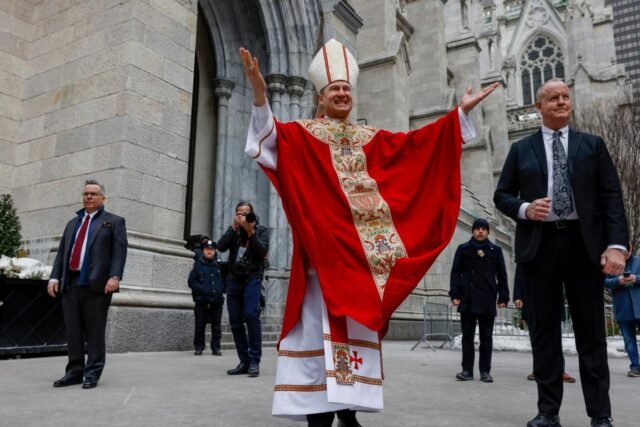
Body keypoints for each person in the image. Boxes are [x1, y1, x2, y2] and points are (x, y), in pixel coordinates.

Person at [240, 39, 498, 426]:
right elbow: (267, 138)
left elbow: (416, 147)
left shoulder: (371, 139)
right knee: (318, 342)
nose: (342, 93)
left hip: (361, 268)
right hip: (321, 265)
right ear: (321, 96)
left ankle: (347, 411)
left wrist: (457, 116)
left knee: (353, 336)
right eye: (334, 88)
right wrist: (260, 94)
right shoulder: (302, 135)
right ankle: (318, 417)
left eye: (346, 88)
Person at [494, 79, 629, 427]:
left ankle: (600, 414)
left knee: (591, 334)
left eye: (565, 97)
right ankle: (548, 411)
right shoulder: (521, 150)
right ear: (539, 106)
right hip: (540, 247)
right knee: (544, 334)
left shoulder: (592, 146)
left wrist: (616, 246)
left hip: (584, 247)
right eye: (553, 98)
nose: (561, 102)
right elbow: (501, 195)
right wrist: (525, 208)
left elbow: (611, 198)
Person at [47, 179, 128, 389]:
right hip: (71, 284)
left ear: (103, 198)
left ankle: (92, 372)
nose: (89, 197)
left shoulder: (114, 222)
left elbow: (119, 252)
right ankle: (74, 372)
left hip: (97, 286)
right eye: (86, 194)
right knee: (73, 331)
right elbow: (63, 253)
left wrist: (115, 276)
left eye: (93, 194)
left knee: (95, 331)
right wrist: (54, 277)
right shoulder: (72, 223)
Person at [450, 218, 509, 383]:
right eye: (477, 228)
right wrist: (455, 294)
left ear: (488, 231)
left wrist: (503, 297)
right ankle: (467, 370)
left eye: (483, 229)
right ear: (472, 231)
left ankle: (485, 371)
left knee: (486, 337)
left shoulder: (495, 250)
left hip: (487, 297)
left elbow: (502, 275)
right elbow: (455, 273)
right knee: (467, 337)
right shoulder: (463, 249)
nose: (480, 231)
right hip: (467, 297)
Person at [217, 201, 269, 378]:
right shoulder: (234, 231)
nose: (243, 216)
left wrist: (251, 231)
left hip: (253, 277)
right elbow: (220, 246)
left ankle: (254, 361)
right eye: (239, 213)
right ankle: (244, 361)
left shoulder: (261, 230)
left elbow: (262, 252)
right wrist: (233, 228)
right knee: (235, 320)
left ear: (252, 214)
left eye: (246, 213)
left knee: (250, 315)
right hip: (234, 278)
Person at [513, 266, 576, 384]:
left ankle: (560, 371)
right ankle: (538, 370)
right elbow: (520, 272)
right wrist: (518, 296)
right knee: (536, 338)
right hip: (531, 297)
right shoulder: (527, 253)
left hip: (552, 297)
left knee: (555, 338)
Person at [603, 246, 640, 377]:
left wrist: (636, 279)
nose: (623, 254)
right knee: (629, 340)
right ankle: (635, 367)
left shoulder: (639, 261)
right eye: (620, 251)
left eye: (625, 251)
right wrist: (618, 281)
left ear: (630, 250)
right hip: (623, 308)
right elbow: (604, 282)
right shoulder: (611, 265)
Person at [188, 239, 225, 356]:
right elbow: (191, 282)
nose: (209, 251)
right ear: (203, 251)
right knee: (200, 325)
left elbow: (226, 280)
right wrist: (202, 289)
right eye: (207, 249)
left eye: (211, 250)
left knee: (216, 326)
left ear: (214, 251)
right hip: (202, 300)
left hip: (217, 301)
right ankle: (199, 347)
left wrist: (222, 289)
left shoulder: (219, 266)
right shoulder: (198, 265)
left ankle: (216, 348)